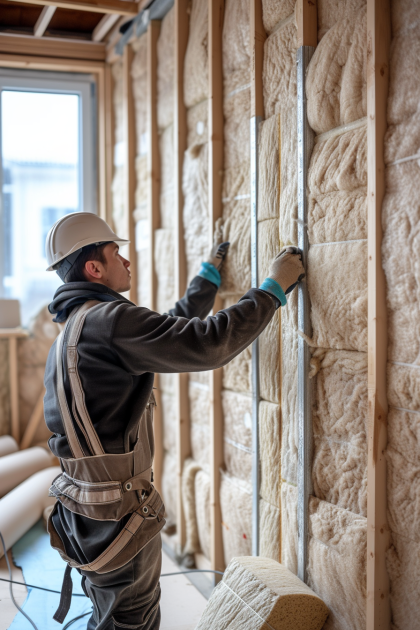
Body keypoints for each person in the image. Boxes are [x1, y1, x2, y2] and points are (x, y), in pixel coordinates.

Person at [43, 212, 304, 630]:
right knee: (131, 623)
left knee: (109, 617)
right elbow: (205, 344)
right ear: (94, 268)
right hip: (118, 519)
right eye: (116, 254)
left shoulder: (74, 330)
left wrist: (208, 280)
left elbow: (169, 332)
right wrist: (272, 289)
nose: (126, 262)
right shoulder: (109, 323)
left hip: (84, 516)